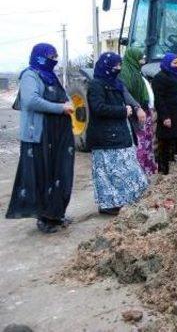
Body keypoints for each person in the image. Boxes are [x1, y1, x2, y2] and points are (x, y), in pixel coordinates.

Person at [6, 44, 75, 233]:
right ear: (40, 57)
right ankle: (44, 219)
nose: (55, 59)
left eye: (56, 55)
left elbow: (63, 96)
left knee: (59, 174)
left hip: (58, 133)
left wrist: (67, 105)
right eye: (51, 56)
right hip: (40, 135)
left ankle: (56, 214)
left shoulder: (50, 75)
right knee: (43, 176)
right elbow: (31, 101)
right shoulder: (30, 75)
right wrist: (61, 108)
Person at [87, 52, 149, 215]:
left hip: (120, 133)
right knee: (108, 173)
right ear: (106, 66)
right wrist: (122, 111)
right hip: (105, 137)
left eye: (120, 65)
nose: (118, 69)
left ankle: (126, 200)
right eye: (116, 66)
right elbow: (98, 108)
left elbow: (126, 96)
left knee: (126, 169)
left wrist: (136, 107)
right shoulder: (96, 85)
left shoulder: (116, 83)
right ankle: (109, 205)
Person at [119, 48, 157, 175]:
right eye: (140, 58)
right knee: (139, 142)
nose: (143, 61)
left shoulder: (137, 72)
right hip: (135, 112)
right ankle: (140, 171)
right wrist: (136, 107)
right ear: (133, 58)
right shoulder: (125, 73)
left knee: (147, 141)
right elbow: (126, 92)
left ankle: (148, 169)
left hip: (143, 110)